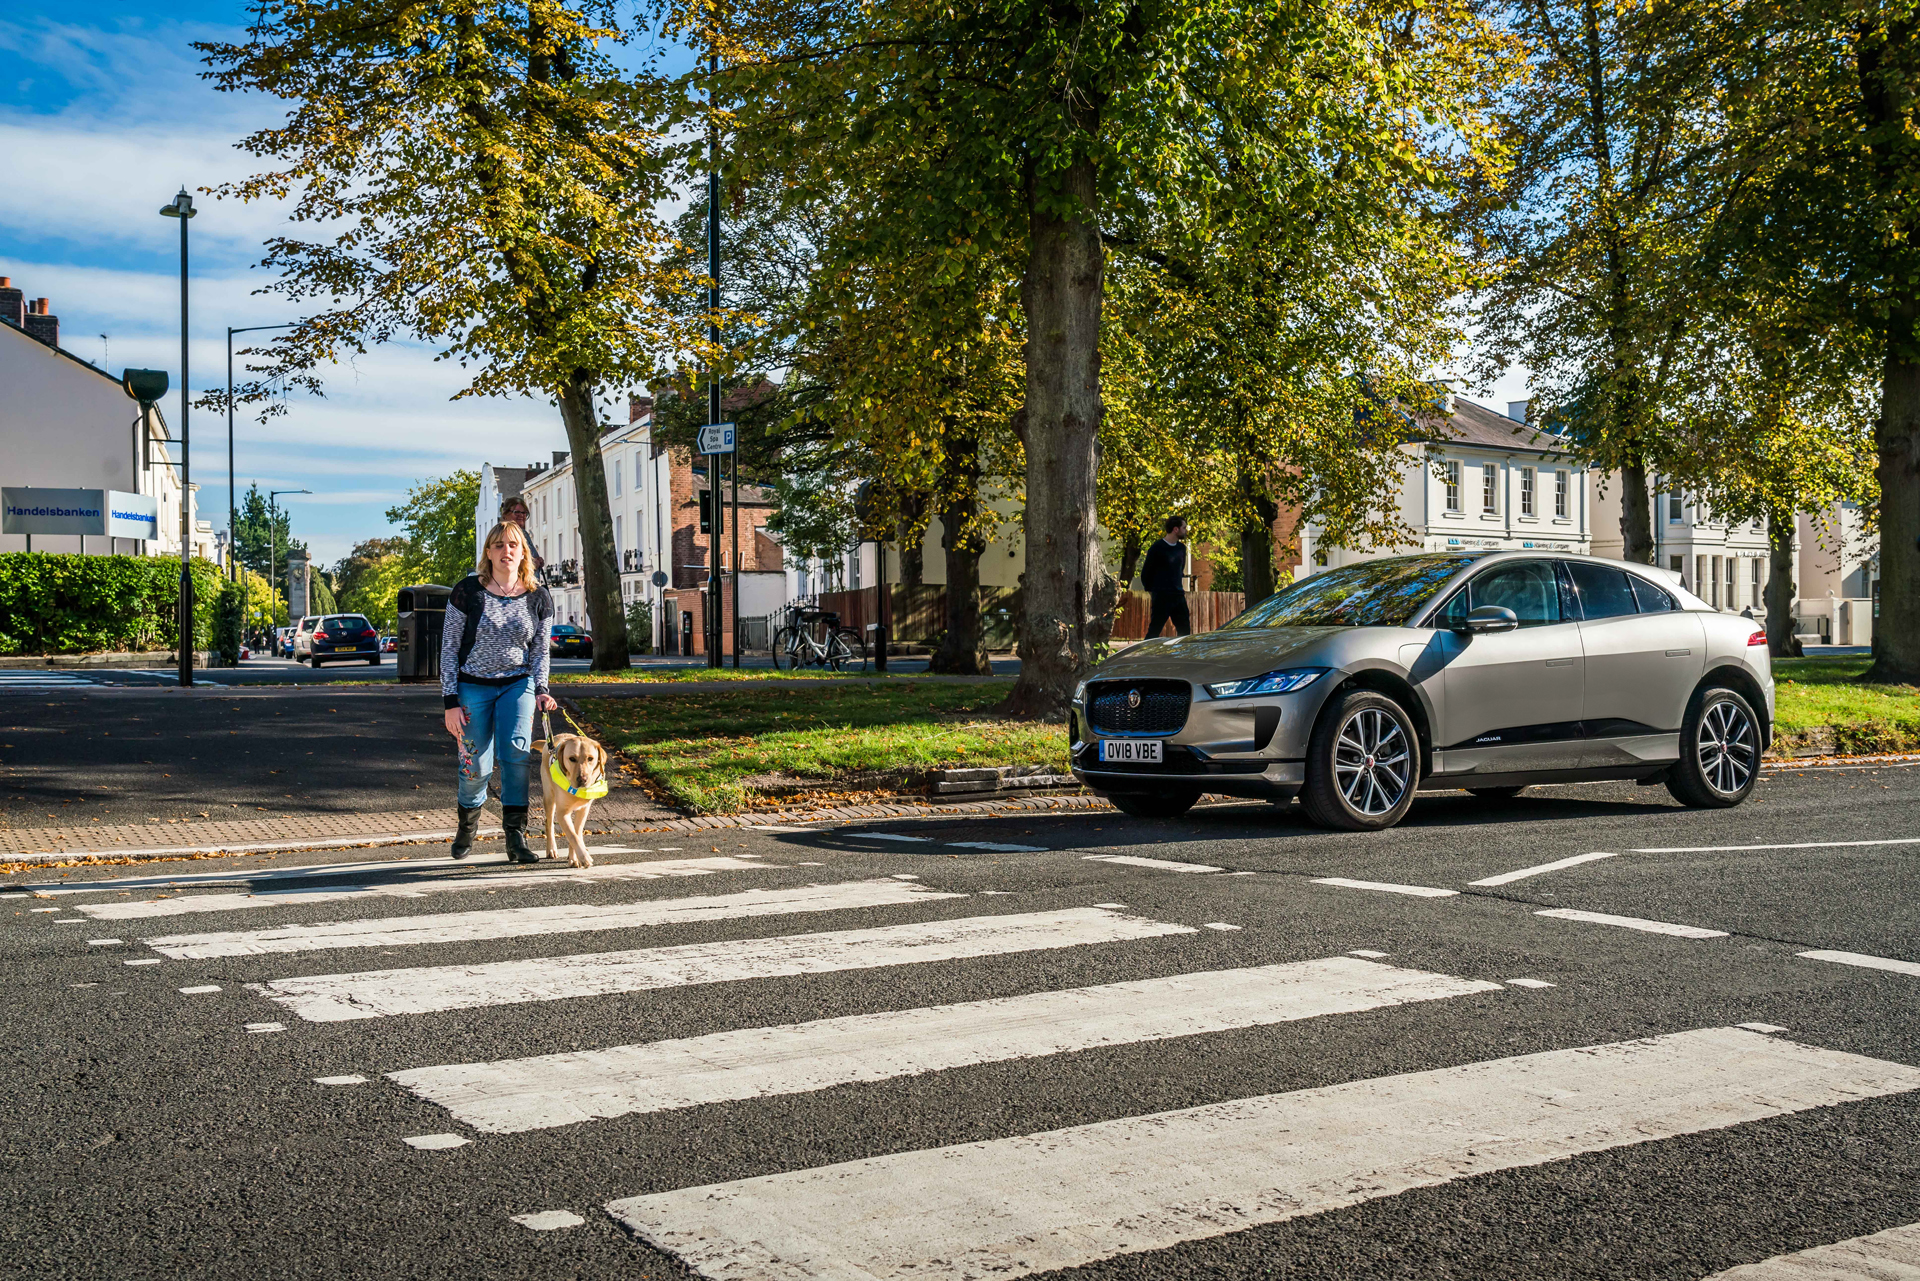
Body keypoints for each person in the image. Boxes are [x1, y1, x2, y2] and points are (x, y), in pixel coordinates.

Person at [442, 521, 557, 863]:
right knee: (475, 765)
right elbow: (449, 648)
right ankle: (468, 823)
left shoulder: (539, 596)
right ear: (488, 553)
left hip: (517, 685)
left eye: (513, 545)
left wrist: (541, 689)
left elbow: (540, 651)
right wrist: (450, 701)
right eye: (498, 545)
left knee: (516, 756)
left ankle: (516, 837)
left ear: (523, 553)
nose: (506, 551)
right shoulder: (467, 592)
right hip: (472, 686)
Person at [1139, 515, 1193, 638]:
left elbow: (1180, 570)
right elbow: (1146, 573)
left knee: (1185, 630)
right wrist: (1154, 591)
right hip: (1162, 596)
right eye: (1184, 528)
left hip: (1178, 595)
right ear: (1176, 529)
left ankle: (1181, 650)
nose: (1185, 531)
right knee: (1154, 630)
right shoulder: (1157, 548)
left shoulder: (1181, 549)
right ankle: (1146, 650)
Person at [500, 495, 545, 573]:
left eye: (524, 513)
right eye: (516, 512)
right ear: (505, 515)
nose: (521, 515)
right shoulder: (504, 534)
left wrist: (538, 560)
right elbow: (507, 561)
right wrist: (532, 563)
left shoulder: (524, 534)